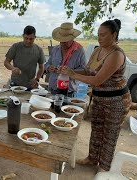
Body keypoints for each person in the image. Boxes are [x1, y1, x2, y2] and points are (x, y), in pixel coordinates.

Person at [61, 19, 132, 171]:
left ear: (114, 35)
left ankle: (104, 168)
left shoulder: (116, 55)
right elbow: (87, 71)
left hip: (116, 102)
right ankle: (92, 158)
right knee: (97, 130)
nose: (99, 38)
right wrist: (67, 71)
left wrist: (73, 75)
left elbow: (97, 80)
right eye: (98, 35)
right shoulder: (97, 50)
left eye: (103, 35)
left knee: (109, 135)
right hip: (99, 98)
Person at [44, 22, 86, 95]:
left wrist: (69, 71)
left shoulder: (79, 51)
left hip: (68, 91)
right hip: (53, 88)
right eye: (61, 40)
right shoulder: (55, 49)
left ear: (72, 39)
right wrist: (49, 68)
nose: (62, 43)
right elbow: (47, 64)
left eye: (65, 41)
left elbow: (85, 71)